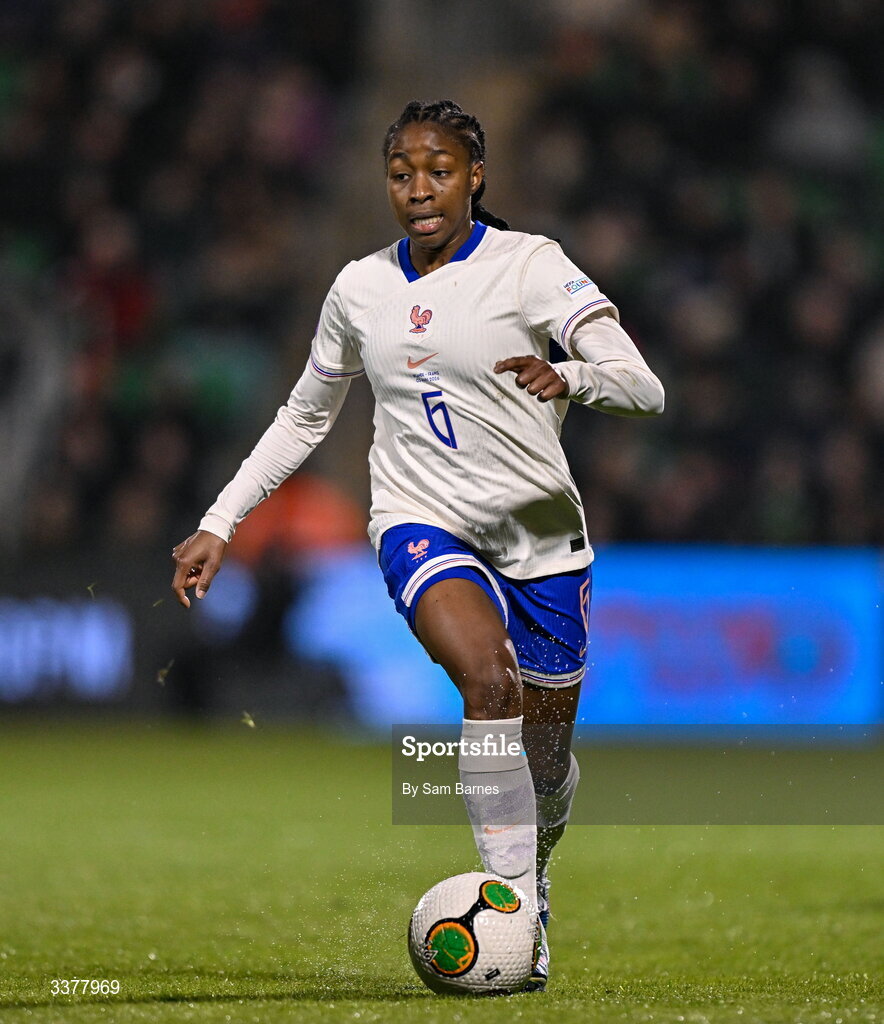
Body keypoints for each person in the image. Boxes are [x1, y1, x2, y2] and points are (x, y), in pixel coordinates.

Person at [171, 99, 664, 992]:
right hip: (419, 520)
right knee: (488, 681)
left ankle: (531, 870)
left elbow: (645, 388)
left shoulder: (531, 265)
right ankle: (514, 912)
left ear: (477, 176)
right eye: (402, 174)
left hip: (544, 542)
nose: (419, 190)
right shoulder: (360, 289)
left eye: (439, 171)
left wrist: (575, 374)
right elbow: (304, 416)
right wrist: (221, 519)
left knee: (546, 765)